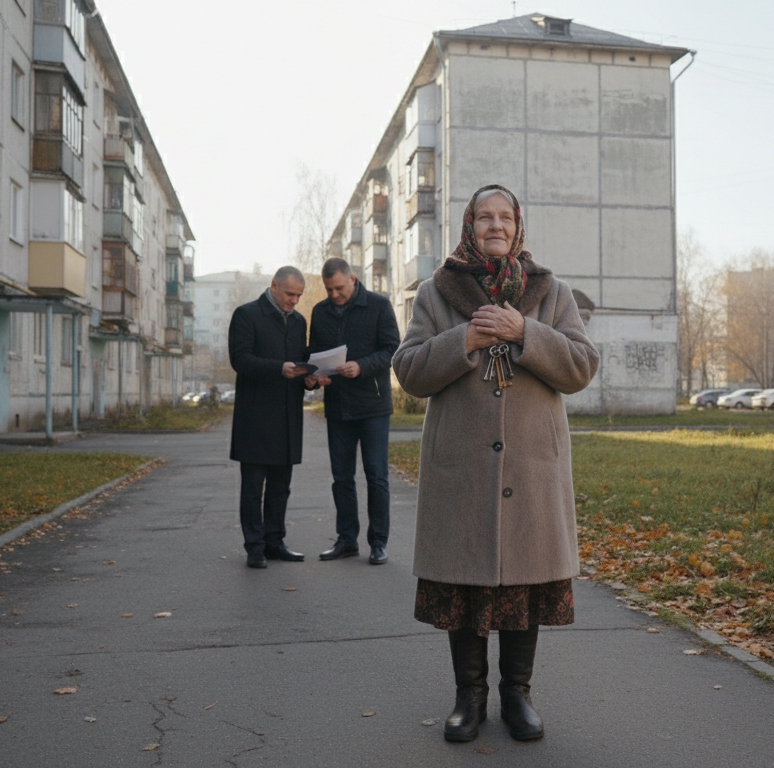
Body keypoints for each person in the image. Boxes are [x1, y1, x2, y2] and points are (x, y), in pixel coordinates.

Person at [391, 185, 599, 743]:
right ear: (469, 225)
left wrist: (524, 332)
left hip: (532, 465)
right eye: (485, 217)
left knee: (525, 581)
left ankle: (518, 696)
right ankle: (469, 697)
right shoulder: (437, 292)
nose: (496, 225)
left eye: (505, 216)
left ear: (518, 226)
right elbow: (408, 370)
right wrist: (466, 337)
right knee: (463, 585)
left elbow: (581, 366)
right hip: (460, 465)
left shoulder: (549, 290)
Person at [308, 258, 401, 565]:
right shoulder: (320, 312)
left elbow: (391, 349)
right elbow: (314, 356)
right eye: (328, 289)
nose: (334, 294)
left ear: (353, 278)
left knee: (376, 477)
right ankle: (347, 540)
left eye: (338, 287)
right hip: (337, 407)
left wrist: (361, 366)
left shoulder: (378, 305)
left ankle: (378, 543)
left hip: (373, 406)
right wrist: (313, 376)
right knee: (342, 478)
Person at [228, 266, 320, 569]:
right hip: (254, 417)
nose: (294, 301)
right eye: (290, 294)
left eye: (299, 296)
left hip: (287, 416)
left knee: (281, 486)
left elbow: (300, 361)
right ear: (274, 286)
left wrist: (309, 378)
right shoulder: (246, 315)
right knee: (253, 487)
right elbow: (240, 359)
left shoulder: (298, 322)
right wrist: (279, 368)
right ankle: (254, 546)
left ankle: (275, 541)